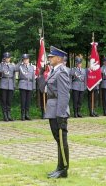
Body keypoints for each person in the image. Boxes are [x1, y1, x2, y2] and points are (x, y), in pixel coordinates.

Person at [40, 46, 70, 179]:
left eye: (52, 57)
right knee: (58, 140)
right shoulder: (54, 71)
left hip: (58, 110)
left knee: (62, 140)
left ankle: (64, 169)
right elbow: (44, 89)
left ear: (59, 58)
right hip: (53, 109)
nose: (49, 59)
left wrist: (61, 114)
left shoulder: (62, 72)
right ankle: (59, 167)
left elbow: (64, 95)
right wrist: (40, 74)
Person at [0, 52, 18, 121]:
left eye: (8, 58)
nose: (7, 59)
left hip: (10, 84)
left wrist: (14, 85)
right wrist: (3, 63)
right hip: (3, 84)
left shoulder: (12, 65)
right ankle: (5, 115)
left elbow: (15, 73)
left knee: (9, 101)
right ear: (4, 58)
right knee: (4, 100)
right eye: (6, 58)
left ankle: (9, 114)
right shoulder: (1, 65)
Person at [18, 54, 35, 120]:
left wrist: (33, 86)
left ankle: (27, 114)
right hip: (22, 84)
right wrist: (20, 62)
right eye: (24, 59)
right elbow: (15, 68)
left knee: (28, 101)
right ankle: (22, 115)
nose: (26, 60)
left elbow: (33, 77)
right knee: (23, 100)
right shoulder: (20, 67)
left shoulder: (31, 67)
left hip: (30, 85)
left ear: (28, 60)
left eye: (27, 59)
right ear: (23, 60)